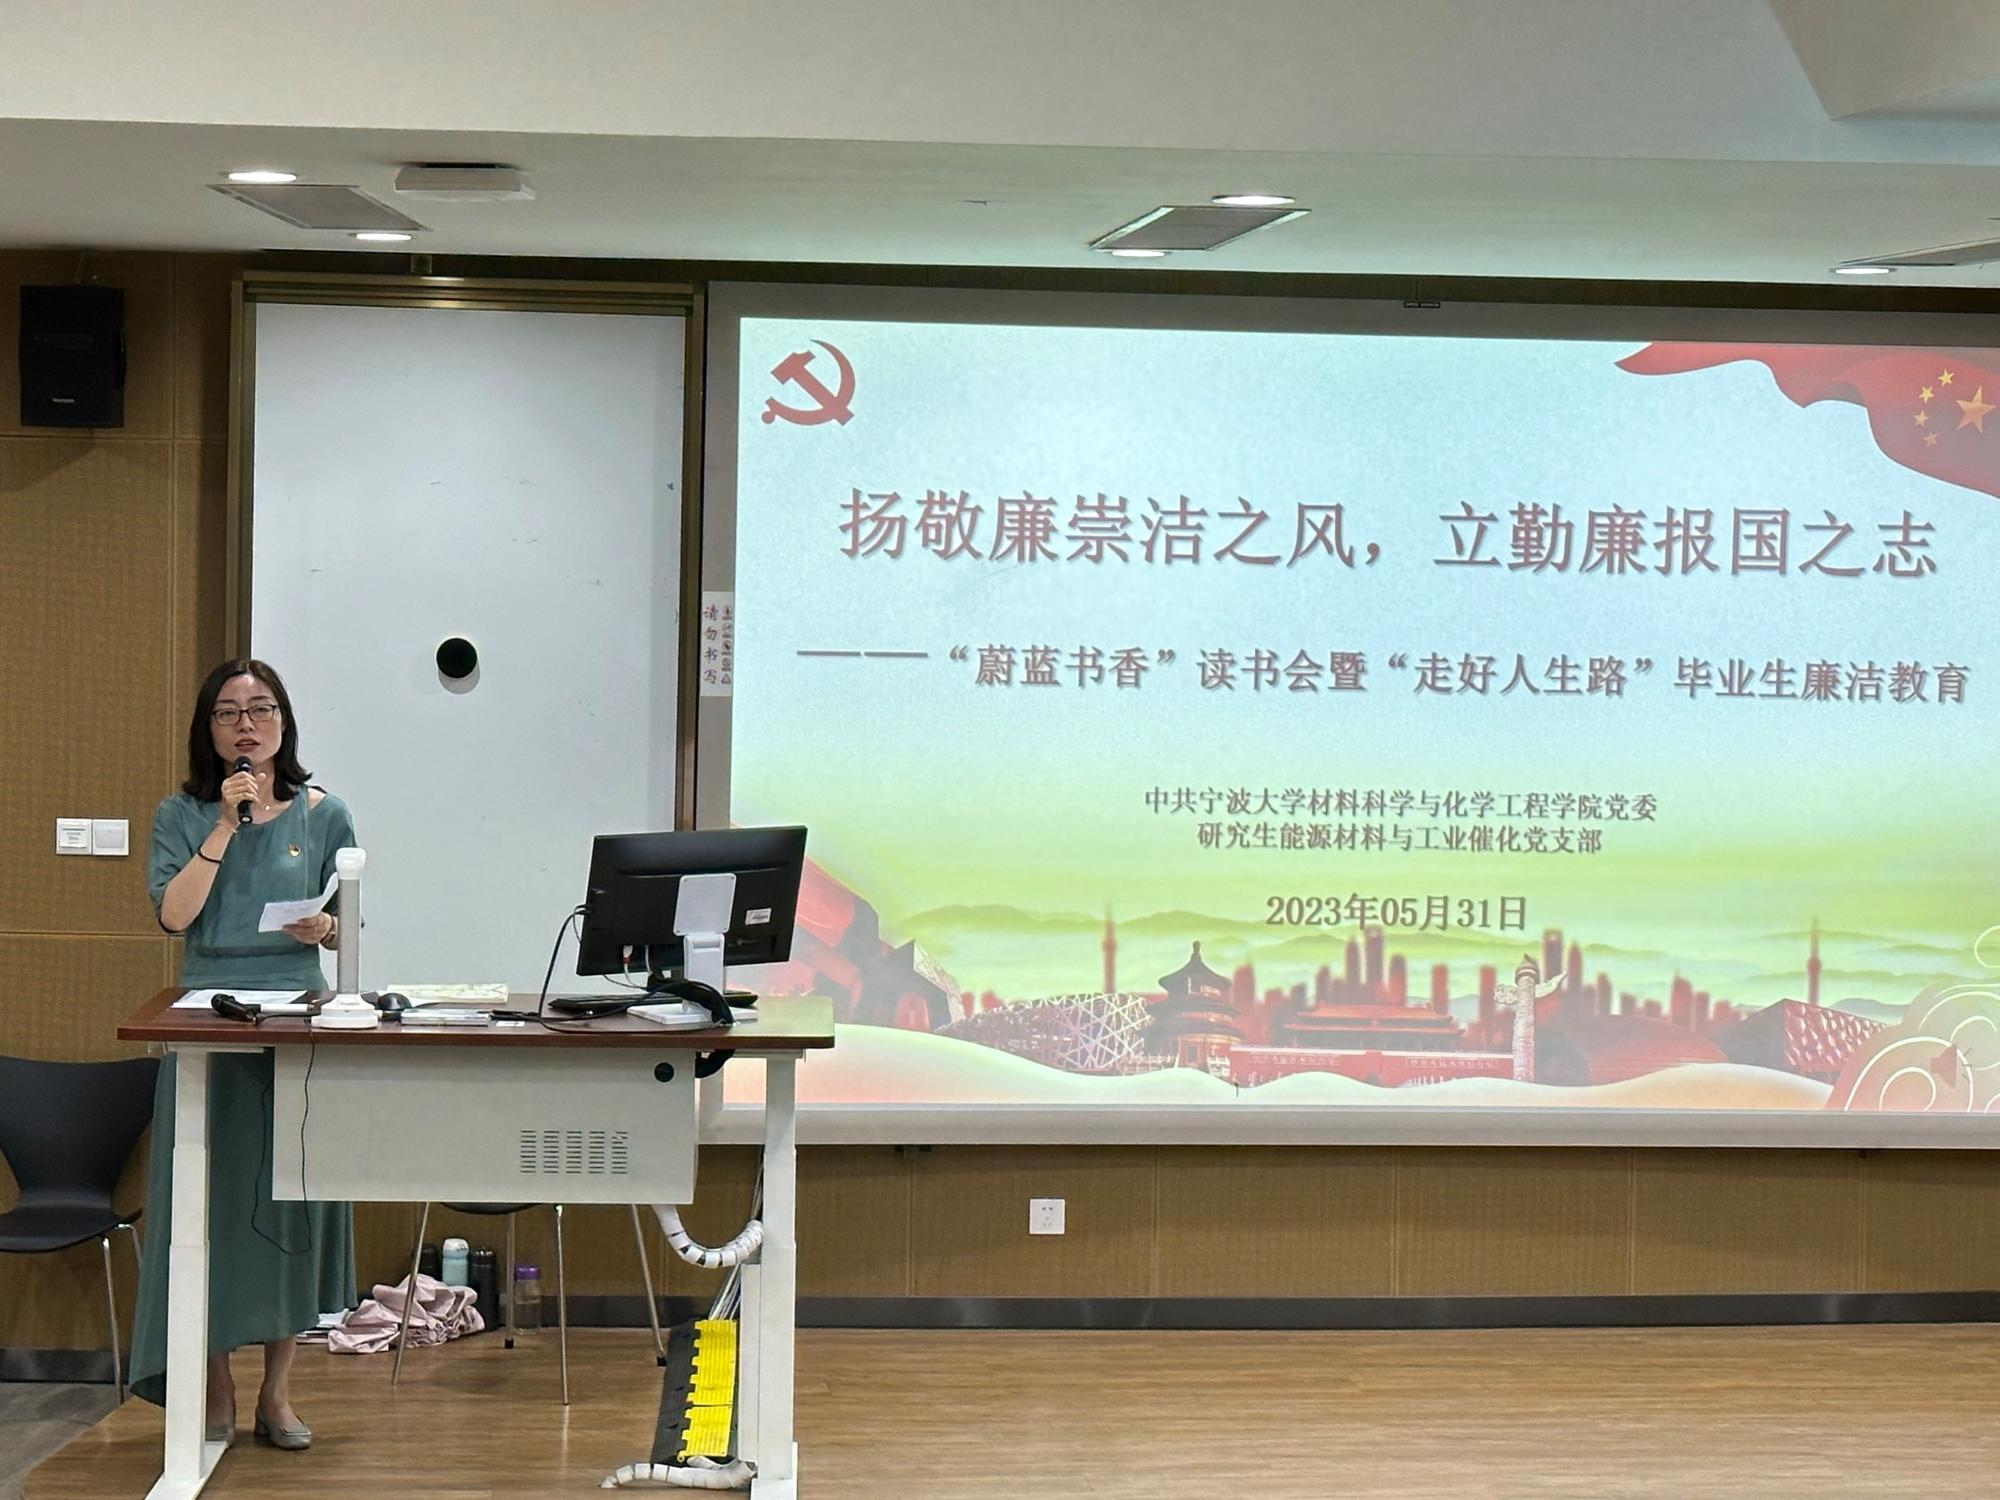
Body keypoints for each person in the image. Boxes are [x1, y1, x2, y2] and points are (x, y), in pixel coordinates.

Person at [127, 659, 358, 1450]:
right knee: (210, 1204)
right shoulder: (181, 814)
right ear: (210, 731)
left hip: (297, 1017)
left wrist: (327, 928)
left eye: (261, 710)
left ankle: (278, 1391)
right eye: (229, 713)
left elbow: (350, 926)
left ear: (283, 725)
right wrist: (226, 826)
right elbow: (173, 915)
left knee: (292, 1202)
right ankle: (215, 1383)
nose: (246, 725)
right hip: (208, 1019)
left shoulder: (326, 815)